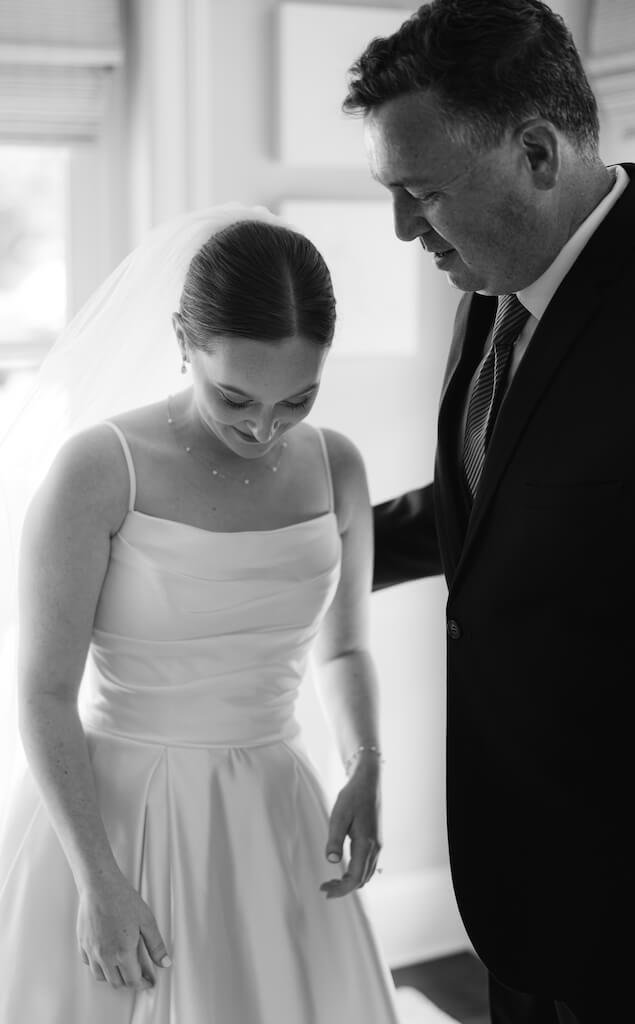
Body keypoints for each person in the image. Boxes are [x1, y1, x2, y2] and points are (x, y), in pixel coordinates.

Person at [0, 206, 400, 1023]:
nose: (263, 427)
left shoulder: (337, 464)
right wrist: (99, 879)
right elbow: (44, 693)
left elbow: (342, 652)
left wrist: (367, 759)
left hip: (273, 812)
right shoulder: (99, 469)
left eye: (297, 399)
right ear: (182, 341)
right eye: (234, 396)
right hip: (116, 817)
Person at [343, 2, 634, 1022]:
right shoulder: (488, 280)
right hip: (514, 884)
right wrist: (306, 546)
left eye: (421, 193)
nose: (402, 230)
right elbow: (489, 497)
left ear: (538, 153)